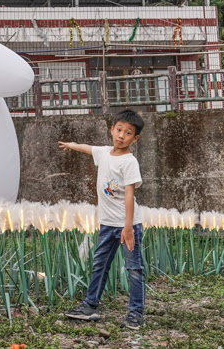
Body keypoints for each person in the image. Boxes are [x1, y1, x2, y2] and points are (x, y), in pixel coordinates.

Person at [58, 109, 146, 331]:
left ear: (135, 139)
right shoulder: (105, 153)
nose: (121, 135)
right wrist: (72, 145)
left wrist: (128, 228)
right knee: (100, 265)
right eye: (118, 130)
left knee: (134, 268)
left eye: (128, 133)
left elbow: (129, 194)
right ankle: (90, 306)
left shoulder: (129, 162)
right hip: (107, 224)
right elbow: (89, 149)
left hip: (128, 225)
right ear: (112, 129)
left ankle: (136, 314)